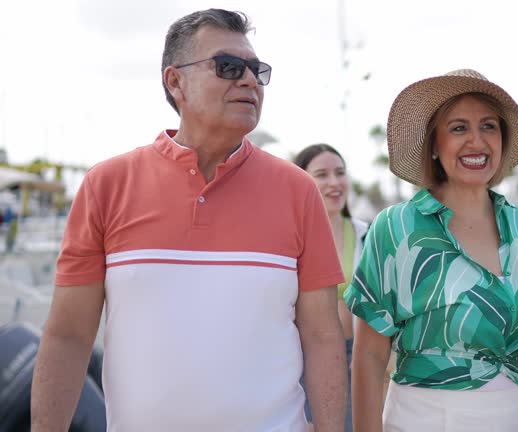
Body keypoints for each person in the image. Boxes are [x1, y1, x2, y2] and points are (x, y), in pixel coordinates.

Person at [31, 9, 347, 432]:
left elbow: (323, 337)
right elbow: (69, 336)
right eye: (229, 67)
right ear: (174, 81)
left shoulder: (299, 191)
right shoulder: (105, 185)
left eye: (257, 70)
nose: (250, 81)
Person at [344, 69, 518, 432]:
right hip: (425, 420)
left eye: (489, 126)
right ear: (434, 145)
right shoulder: (396, 227)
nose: (476, 141)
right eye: (459, 128)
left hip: (514, 416)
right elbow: (369, 354)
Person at [294, 143, 368, 432]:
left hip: (358, 360)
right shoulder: (292, 239)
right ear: (302, 181)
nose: (334, 183)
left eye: (340, 173)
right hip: (306, 362)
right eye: (322, 174)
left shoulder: (367, 235)